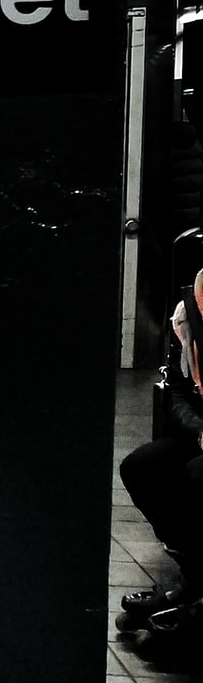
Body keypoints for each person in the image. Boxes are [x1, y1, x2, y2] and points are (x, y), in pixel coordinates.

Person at [119, 268, 203, 631]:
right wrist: (199, 430)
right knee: (142, 467)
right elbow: (176, 387)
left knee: (197, 475)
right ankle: (195, 578)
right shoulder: (192, 308)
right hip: (202, 431)